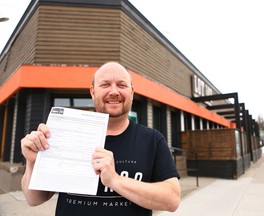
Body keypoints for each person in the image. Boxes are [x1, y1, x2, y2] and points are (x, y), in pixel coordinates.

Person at [21, 61, 181, 215]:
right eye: (105, 85)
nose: (114, 91)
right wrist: (33, 163)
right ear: (93, 92)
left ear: (132, 92)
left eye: (122, 85)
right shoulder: (65, 135)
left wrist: (115, 180)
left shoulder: (152, 140)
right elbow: (34, 199)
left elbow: (172, 199)